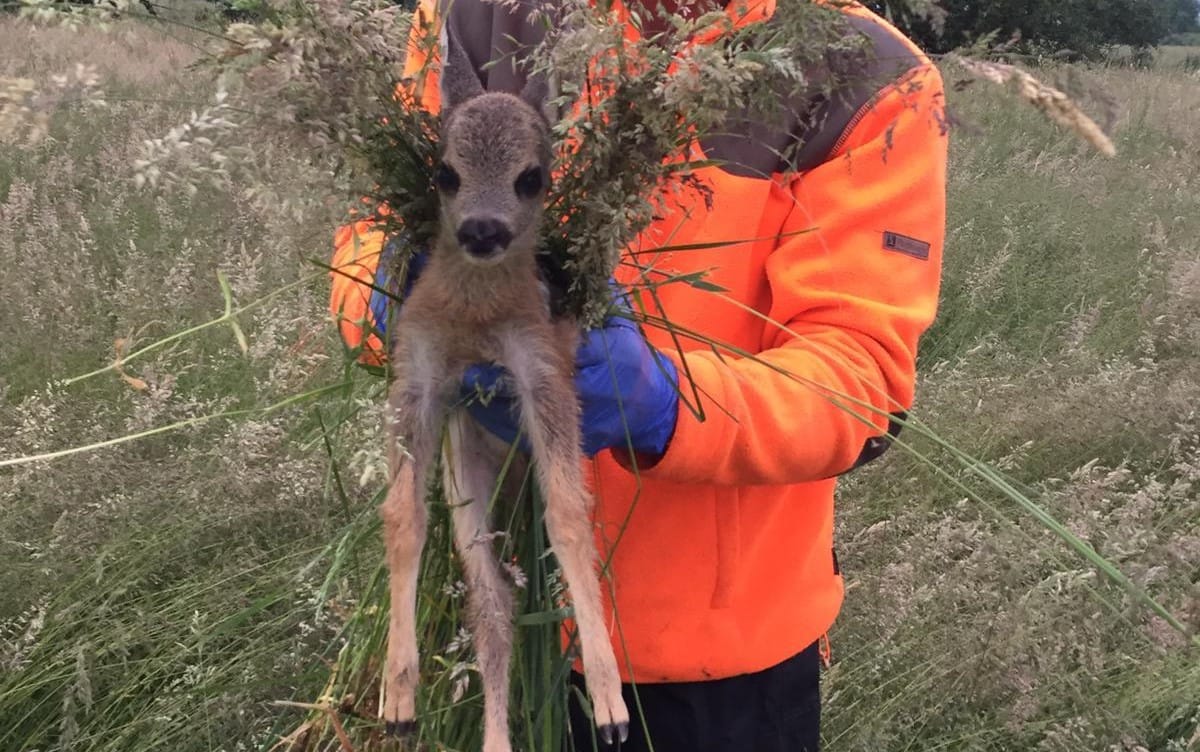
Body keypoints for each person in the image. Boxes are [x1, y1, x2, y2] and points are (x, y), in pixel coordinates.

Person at [329, 0, 948, 749]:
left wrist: (664, 404)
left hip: (712, 672)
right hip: (480, 620)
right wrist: (391, 293)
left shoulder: (866, 74)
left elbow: (861, 384)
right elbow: (373, 227)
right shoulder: (477, 14)